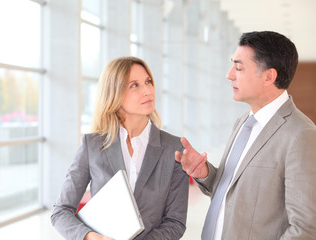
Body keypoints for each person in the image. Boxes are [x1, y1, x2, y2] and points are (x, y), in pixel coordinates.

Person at [175, 31, 316, 239]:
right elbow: (232, 194)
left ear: (269, 76)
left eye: (239, 67)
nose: (229, 74)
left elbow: (305, 228)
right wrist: (204, 172)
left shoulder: (301, 135)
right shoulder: (243, 123)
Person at [51, 56, 189, 240]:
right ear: (114, 93)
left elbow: (175, 221)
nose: (147, 90)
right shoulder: (92, 146)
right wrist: (91, 237)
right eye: (134, 85)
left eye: (148, 82)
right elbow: (61, 211)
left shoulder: (175, 148)